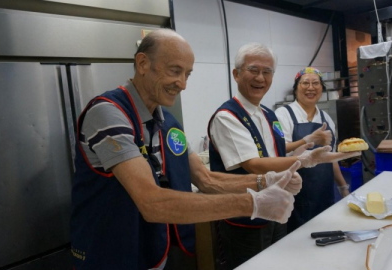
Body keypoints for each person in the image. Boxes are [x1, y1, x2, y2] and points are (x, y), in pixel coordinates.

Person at [70, 29, 304, 270]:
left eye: (187, 74)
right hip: (108, 254)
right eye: (174, 70)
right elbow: (152, 202)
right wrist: (253, 204)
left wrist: (266, 181)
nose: (182, 84)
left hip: (151, 250)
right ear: (142, 63)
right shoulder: (108, 113)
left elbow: (206, 179)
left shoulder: (167, 122)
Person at [208, 43, 360, 269]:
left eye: (267, 72)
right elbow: (253, 164)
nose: (261, 78)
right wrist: (307, 158)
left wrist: (336, 178)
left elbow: (279, 151)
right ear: (236, 74)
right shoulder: (227, 116)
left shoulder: (268, 115)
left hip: (277, 209)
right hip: (245, 213)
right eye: (254, 70)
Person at [275, 67, 351, 234]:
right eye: (305, 83)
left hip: (324, 193)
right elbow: (280, 149)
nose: (311, 88)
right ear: (296, 88)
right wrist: (308, 140)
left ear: (322, 89)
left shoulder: (326, 118)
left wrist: (343, 189)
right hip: (295, 194)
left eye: (316, 83)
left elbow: (331, 158)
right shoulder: (283, 114)